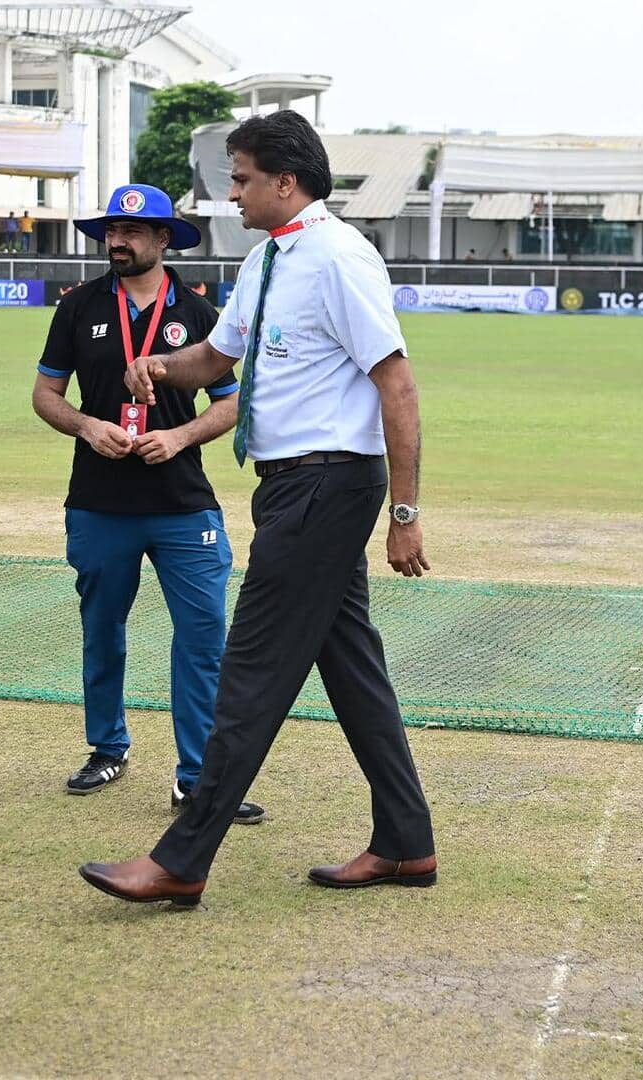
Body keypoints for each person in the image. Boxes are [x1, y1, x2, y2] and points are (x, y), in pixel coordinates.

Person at [78, 109, 434, 907]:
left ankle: (183, 858)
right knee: (353, 673)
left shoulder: (340, 257)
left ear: (285, 179)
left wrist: (404, 515)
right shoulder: (268, 261)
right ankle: (407, 845)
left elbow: (397, 384)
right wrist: (159, 368)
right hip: (289, 488)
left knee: (249, 672)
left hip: (328, 484)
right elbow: (216, 357)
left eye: (239, 178)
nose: (228, 192)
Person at [32, 181, 262, 825]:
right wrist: (85, 426)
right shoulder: (77, 308)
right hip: (98, 502)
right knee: (102, 629)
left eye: (133, 232)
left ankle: (198, 777)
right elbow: (46, 395)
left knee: (203, 638)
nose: (118, 240)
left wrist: (180, 435)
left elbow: (231, 402)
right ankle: (107, 747)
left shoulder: (198, 313)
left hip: (182, 503)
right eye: (112, 230)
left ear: (164, 239)